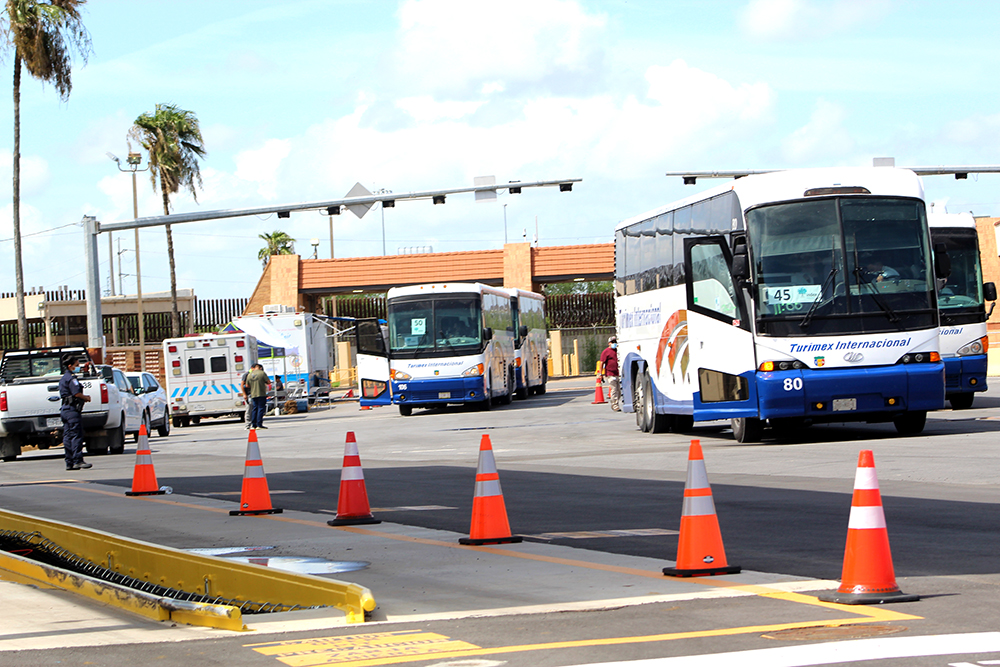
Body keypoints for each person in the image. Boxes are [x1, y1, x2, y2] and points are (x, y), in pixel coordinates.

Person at [58, 355, 92, 471]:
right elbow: (76, 393)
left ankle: (69, 462)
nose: (78, 367)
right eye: (76, 365)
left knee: (67, 436)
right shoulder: (72, 378)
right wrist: (86, 397)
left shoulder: (64, 378)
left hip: (65, 410)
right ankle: (77, 460)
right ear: (70, 366)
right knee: (76, 435)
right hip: (72, 410)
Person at [599, 335, 621, 412]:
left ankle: (616, 402)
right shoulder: (606, 352)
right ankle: (615, 405)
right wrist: (600, 374)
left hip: (618, 373)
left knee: (619, 391)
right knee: (614, 389)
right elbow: (601, 363)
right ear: (609, 343)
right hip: (610, 373)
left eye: (615, 342)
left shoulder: (618, 351)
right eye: (612, 342)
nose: (614, 344)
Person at [246, 363, 270, 430]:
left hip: (253, 394)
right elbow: (268, 382)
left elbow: (247, 385)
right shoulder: (262, 373)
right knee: (261, 408)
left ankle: (253, 425)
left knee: (254, 409)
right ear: (260, 367)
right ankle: (259, 424)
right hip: (261, 393)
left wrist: (253, 386)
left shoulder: (250, 375)